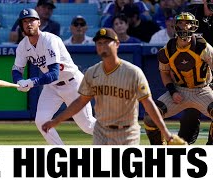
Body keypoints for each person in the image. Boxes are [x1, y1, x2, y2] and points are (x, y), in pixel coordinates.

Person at [42, 28, 177, 145]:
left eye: (107, 42)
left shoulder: (133, 72)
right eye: (99, 43)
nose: (103, 46)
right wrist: (56, 121)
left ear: (117, 44)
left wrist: (165, 132)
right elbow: (79, 103)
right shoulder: (92, 73)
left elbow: (148, 104)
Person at [11, 8, 96, 145]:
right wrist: (19, 81)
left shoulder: (49, 40)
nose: (28, 24)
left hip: (73, 84)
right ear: (21, 26)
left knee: (87, 126)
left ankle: (118, 134)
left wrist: (32, 82)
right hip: (52, 87)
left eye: (32, 20)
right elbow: (16, 70)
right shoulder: (22, 46)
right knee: (41, 121)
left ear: (38, 22)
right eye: (25, 21)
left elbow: (54, 73)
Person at [143, 12, 213, 145]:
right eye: (181, 23)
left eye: (188, 23)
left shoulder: (203, 46)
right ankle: (159, 152)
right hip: (179, 90)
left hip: (203, 90)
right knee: (150, 116)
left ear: (194, 26)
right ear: (175, 26)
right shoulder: (167, 50)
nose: (184, 27)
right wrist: (172, 91)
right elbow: (164, 73)